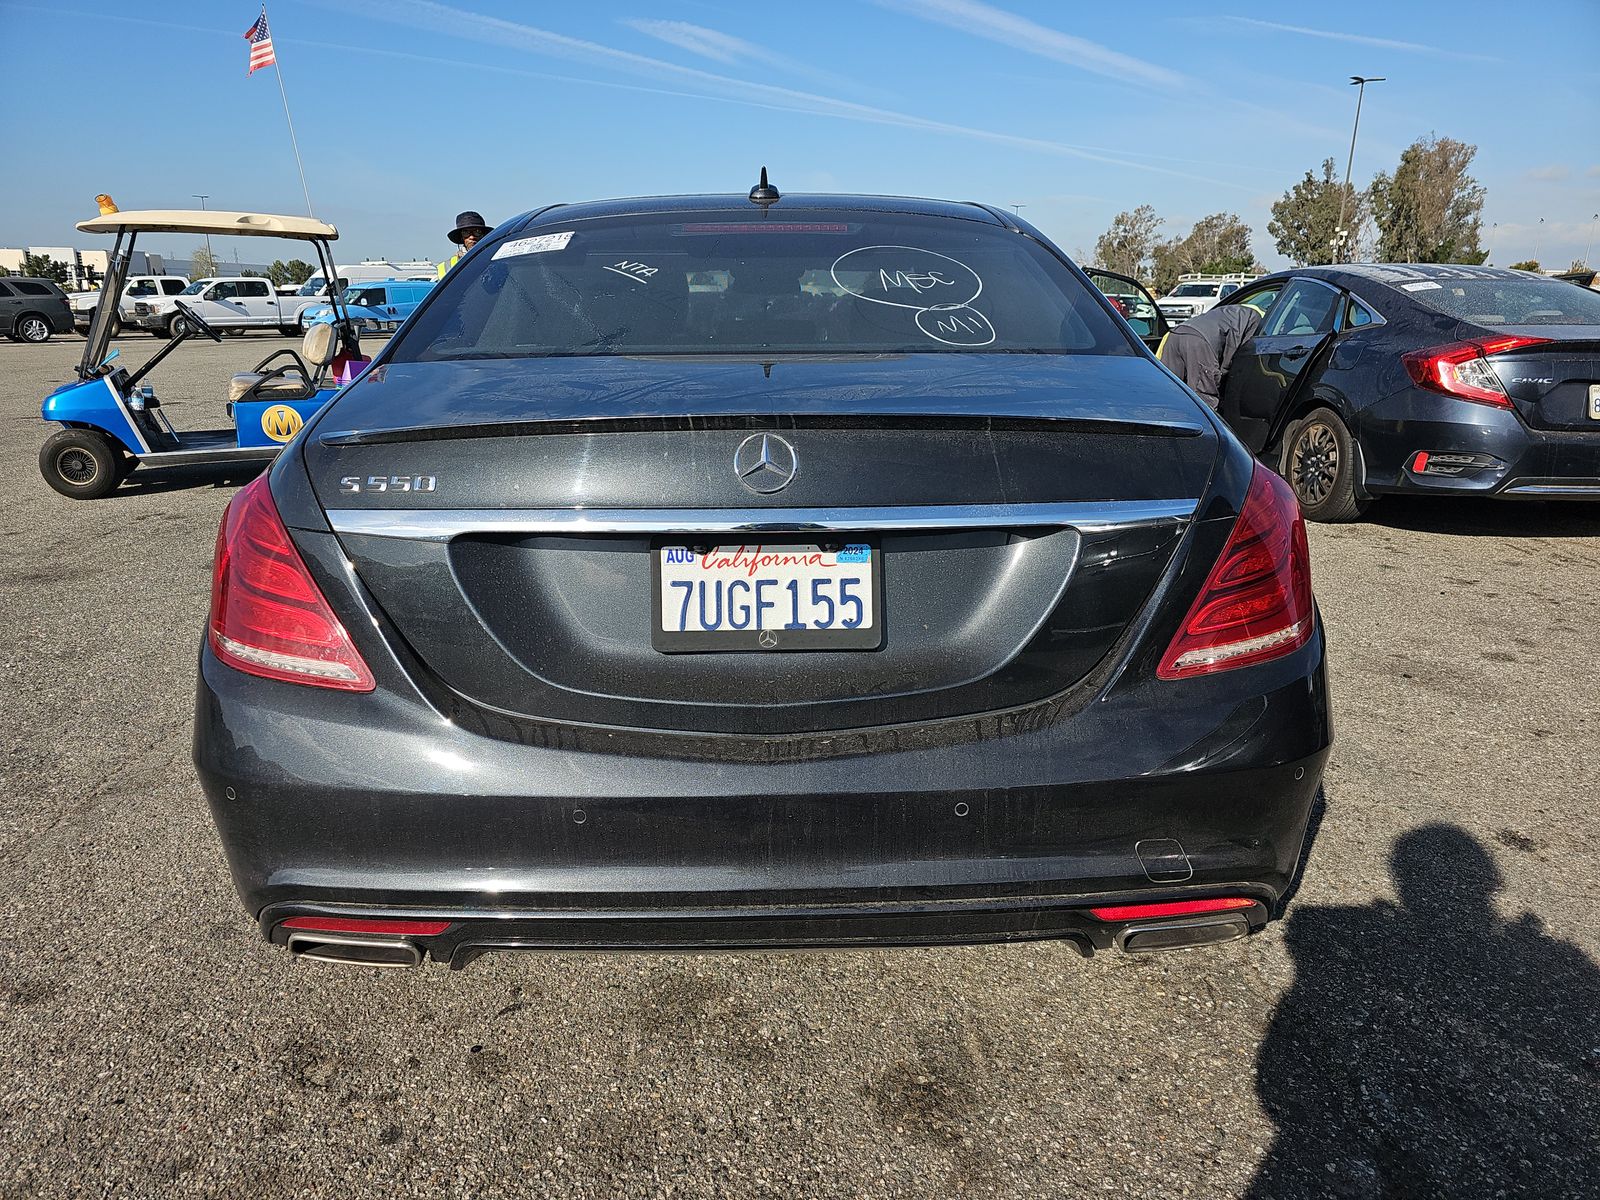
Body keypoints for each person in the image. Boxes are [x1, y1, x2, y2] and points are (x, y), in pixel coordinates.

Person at [1155, 302, 1263, 408]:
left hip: (1175, 333)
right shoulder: (1260, 320)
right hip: (1201, 342)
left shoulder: (1233, 310)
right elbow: (1244, 352)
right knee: (1204, 399)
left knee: (1166, 390)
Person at [438, 210, 492, 277]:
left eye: (477, 231)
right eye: (466, 232)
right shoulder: (445, 267)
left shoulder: (495, 260)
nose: (472, 237)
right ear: (461, 237)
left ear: (483, 235)